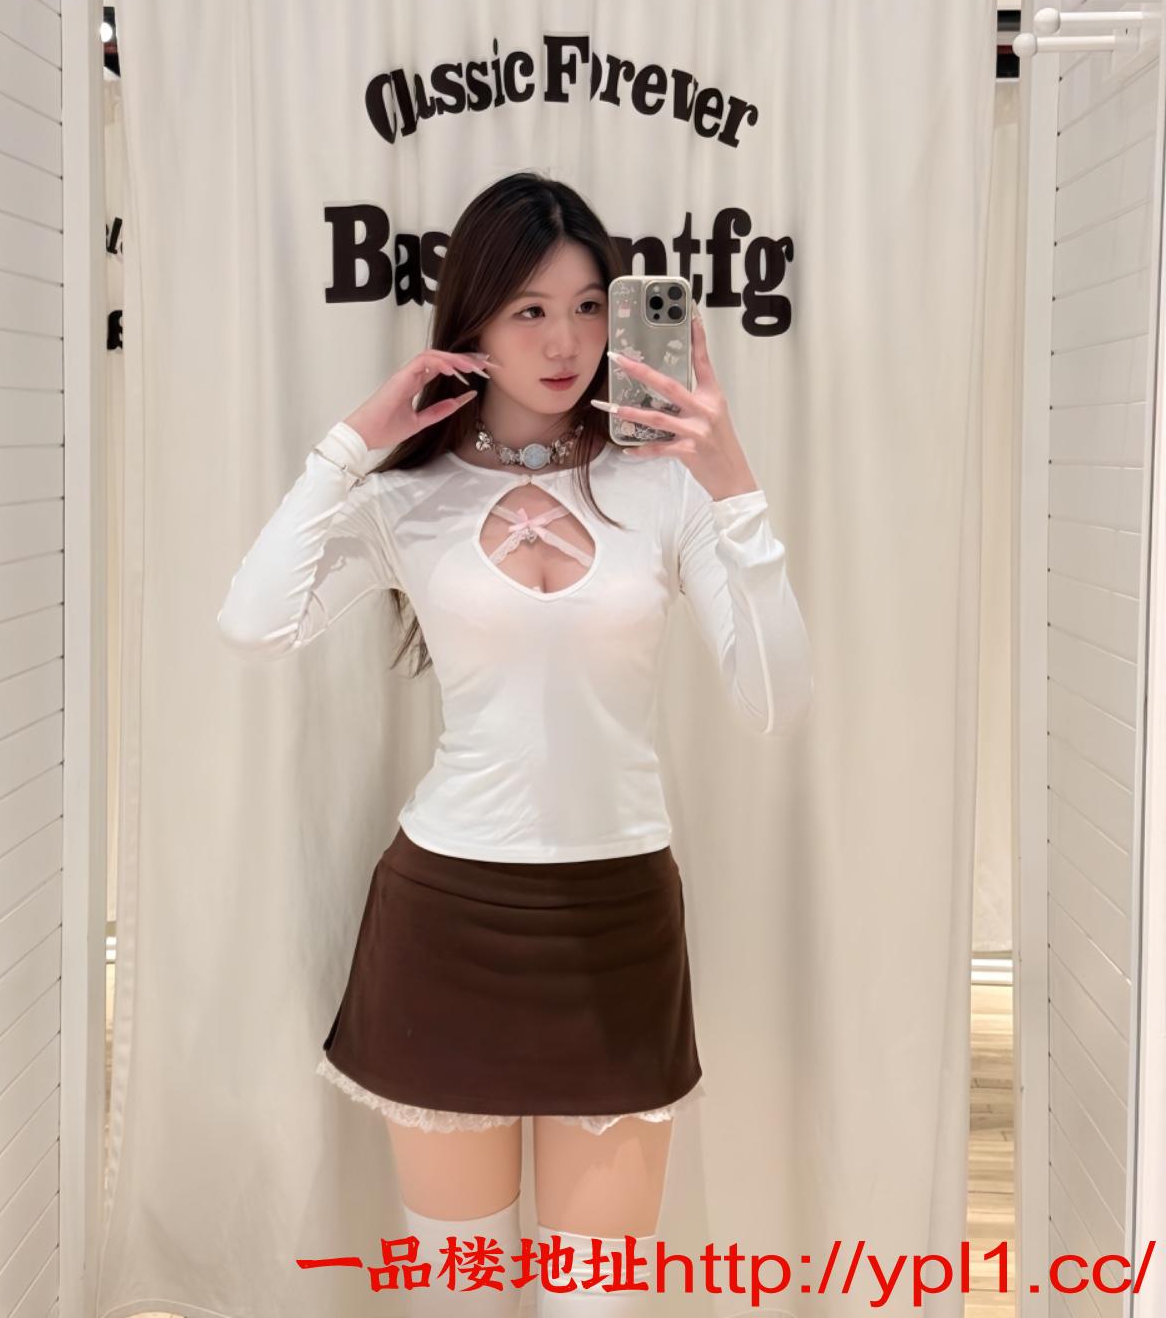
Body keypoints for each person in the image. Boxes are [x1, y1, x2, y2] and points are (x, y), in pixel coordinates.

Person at [216, 171, 814, 1313]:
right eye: (529, 309)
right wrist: (349, 449)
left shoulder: (665, 488)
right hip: (448, 918)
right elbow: (252, 627)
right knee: (463, 1294)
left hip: (617, 920)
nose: (566, 341)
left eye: (588, 306)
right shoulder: (411, 500)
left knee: (601, 1297)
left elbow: (776, 701)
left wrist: (733, 487)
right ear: (475, 322)